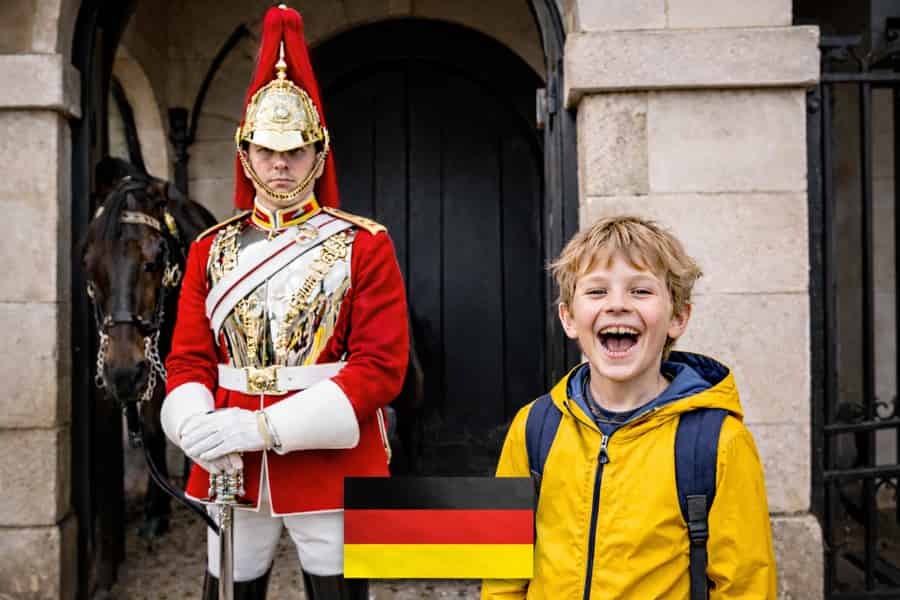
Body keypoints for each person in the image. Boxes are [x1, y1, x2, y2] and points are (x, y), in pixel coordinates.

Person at [159, 5, 409, 599]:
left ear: (318, 153)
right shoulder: (208, 250)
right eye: (266, 150)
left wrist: (265, 426)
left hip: (326, 456)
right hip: (229, 462)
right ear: (246, 153)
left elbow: (379, 369)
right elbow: (189, 360)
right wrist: (195, 428)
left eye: (294, 150)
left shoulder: (363, 244)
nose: (279, 164)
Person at [481, 215, 777, 599]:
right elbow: (502, 573)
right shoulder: (533, 427)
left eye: (640, 291)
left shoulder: (720, 442)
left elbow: (746, 586)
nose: (617, 305)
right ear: (568, 318)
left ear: (678, 317)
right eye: (597, 292)